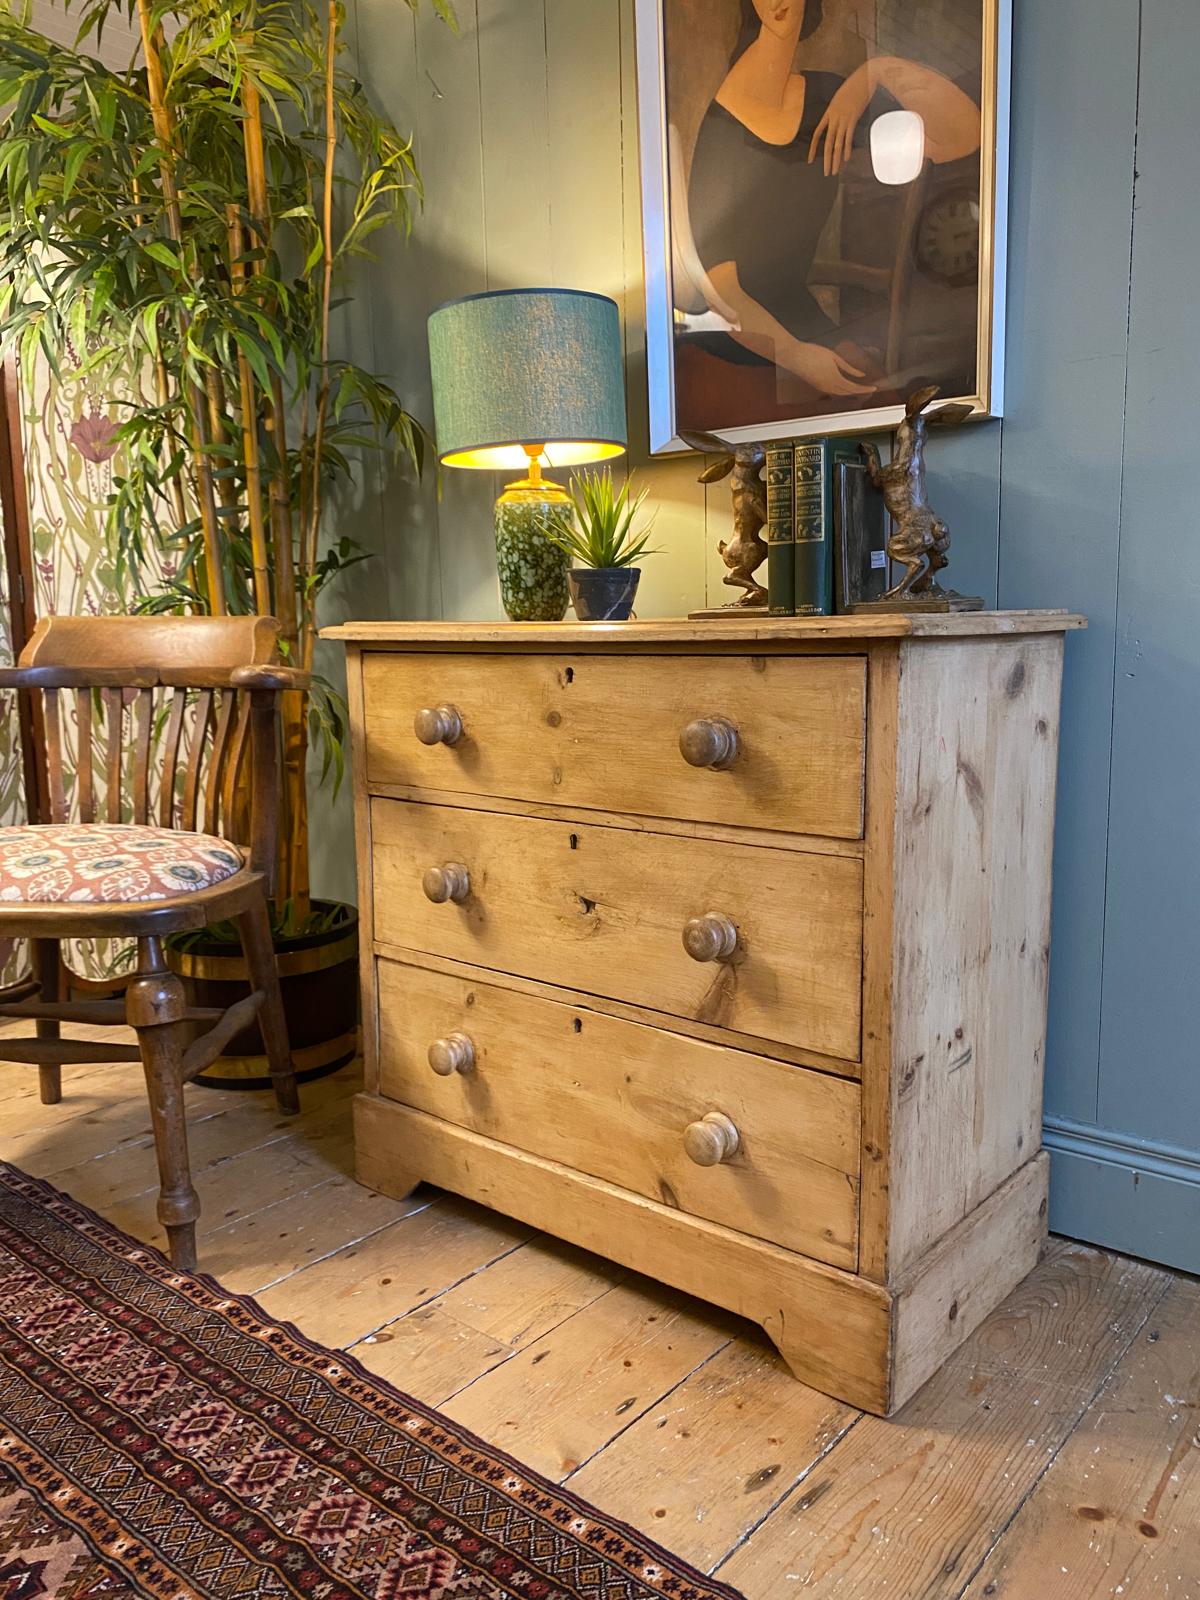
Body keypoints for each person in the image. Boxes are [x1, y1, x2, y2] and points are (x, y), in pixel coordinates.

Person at [685, 0, 981, 402]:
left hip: (805, 326)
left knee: (891, 407)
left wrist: (872, 74)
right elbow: (722, 294)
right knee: (871, 409)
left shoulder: (826, 99)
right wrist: (797, 356)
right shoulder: (723, 131)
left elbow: (963, 135)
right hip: (745, 348)